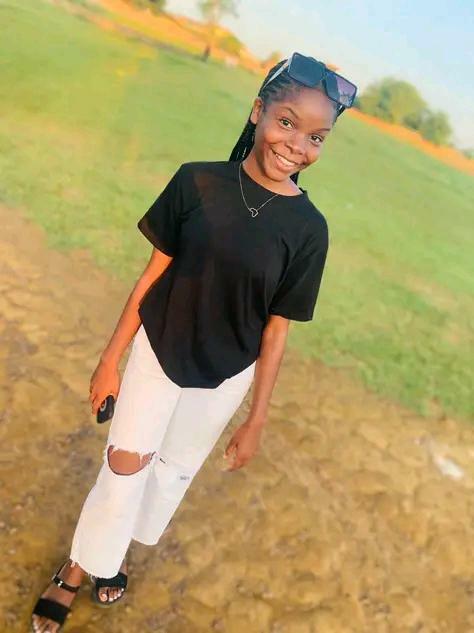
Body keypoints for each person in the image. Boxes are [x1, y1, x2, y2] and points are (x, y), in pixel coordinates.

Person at [31, 52, 357, 632]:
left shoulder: (310, 230)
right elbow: (150, 277)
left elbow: (276, 329)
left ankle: (114, 555)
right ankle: (78, 568)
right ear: (257, 111)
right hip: (159, 351)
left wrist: (256, 418)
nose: (297, 145)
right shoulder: (197, 181)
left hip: (224, 378)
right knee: (123, 468)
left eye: (316, 137)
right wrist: (110, 360)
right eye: (286, 122)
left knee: (170, 474)